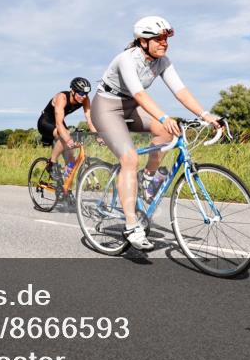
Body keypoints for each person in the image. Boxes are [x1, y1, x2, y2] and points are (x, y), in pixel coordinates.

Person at [91, 16, 221, 250]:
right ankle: (131, 226)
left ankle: (147, 177)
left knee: (168, 133)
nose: (164, 43)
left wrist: (205, 115)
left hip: (130, 107)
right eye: (159, 39)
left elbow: (180, 91)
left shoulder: (163, 62)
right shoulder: (126, 59)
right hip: (107, 108)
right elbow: (140, 95)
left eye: (166, 38)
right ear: (143, 41)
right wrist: (164, 116)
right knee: (129, 157)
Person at [37, 77, 97, 181]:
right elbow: (59, 124)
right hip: (45, 122)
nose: (84, 97)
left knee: (71, 161)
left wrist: (98, 136)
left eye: (86, 94)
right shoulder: (62, 98)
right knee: (64, 135)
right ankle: (52, 163)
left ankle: (65, 188)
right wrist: (68, 139)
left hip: (58, 123)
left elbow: (90, 120)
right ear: (73, 91)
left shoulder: (85, 99)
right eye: (81, 93)